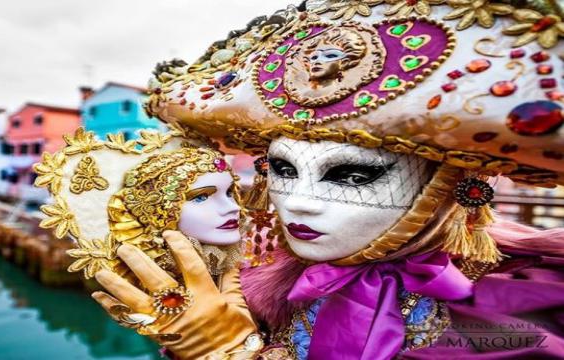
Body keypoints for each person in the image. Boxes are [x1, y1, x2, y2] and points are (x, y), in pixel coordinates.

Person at [92, 1, 564, 359]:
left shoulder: (521, 303)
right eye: (281, 169)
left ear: (451, 186)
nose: (298, 203)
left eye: (354, 174)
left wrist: (232, 351)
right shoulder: (270, 275)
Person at [33, 127, 256, 356]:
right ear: (156, 213)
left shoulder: (253, 263)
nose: (234, 207)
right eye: (200, 197)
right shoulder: (223, 268)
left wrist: (231, 347)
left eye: (230, 193)